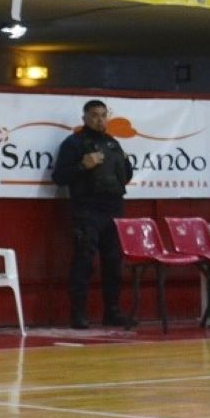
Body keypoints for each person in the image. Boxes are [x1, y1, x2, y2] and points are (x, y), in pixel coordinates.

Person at [53, 100, 135, 330]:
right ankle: (78, 314)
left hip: (114, 209)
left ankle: (112, 312)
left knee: (113, 263)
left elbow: (125, 176)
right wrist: (82, 165)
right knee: (83, 262)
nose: (100, 120)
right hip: (87, 209)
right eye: (95, 115)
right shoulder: (74, 143)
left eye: (103, 115)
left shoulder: (113, 144)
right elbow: (59, 177)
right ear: (84, 118)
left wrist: (126, 161)